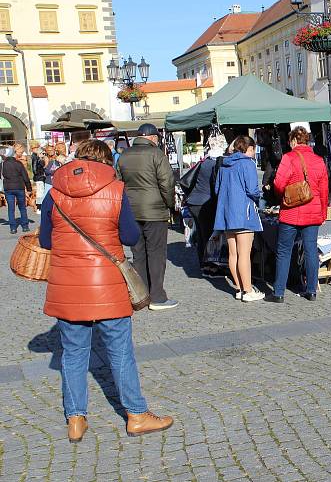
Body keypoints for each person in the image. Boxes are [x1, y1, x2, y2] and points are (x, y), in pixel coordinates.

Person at [39, 140, 173, 443]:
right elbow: (129, 235)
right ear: (106, 161)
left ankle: (75, 419)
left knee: (72, 354)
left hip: (68, 285)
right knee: (120, 351)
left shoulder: (54, 193)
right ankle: (136, 415)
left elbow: (46, 241)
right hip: (107, 284)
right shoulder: (116, 190)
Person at [117, 124, 178, 310]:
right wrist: (170, 205)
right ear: (152, 138)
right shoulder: (157, 154)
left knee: (138, 255)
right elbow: (167, 183)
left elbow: (118, 183)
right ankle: (157, 297)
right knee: (157, 254)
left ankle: (140, 295)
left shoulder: (124, 155)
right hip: (155, 211)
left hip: (131, 210)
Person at [269, 127, 329, 303]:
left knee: (284, 251)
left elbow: (278, 184)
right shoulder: (319, 160)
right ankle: (311, 291)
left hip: (291, 212)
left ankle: (279, 292)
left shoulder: (288, 158)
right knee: (311, 251)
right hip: (312, 212)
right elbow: (325, 191)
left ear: (293, 141)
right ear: (307, 141)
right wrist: (322, 213)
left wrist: (285, 197)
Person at [213, 135, 264, 302]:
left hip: (226, 214)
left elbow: (217, 190)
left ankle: (240, 288)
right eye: (252, 150)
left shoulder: (223, 165)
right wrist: (258, 197)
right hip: (244, 213)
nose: (253, 153)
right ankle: (248, 290)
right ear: (248, 149)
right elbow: (252, 190)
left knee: (233, 254)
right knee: (244, 254)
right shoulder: (247, 163)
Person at [184, 143, 224, 274]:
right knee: (208, 234)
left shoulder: (204, 162)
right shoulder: (215, 165)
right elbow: (216, 187)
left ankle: (203, 263)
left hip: (193, 202)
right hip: (204, 203)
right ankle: (210, 265)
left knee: (201, 234)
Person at [2, 145, 32, 234]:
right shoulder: (19, 164)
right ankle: (25, 226)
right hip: (19, 187)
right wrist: (29, 188)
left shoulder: (3, 164)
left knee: (11, 208)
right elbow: (25, 177)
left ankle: (13, 228)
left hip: (8, 188)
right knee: (22, 207)